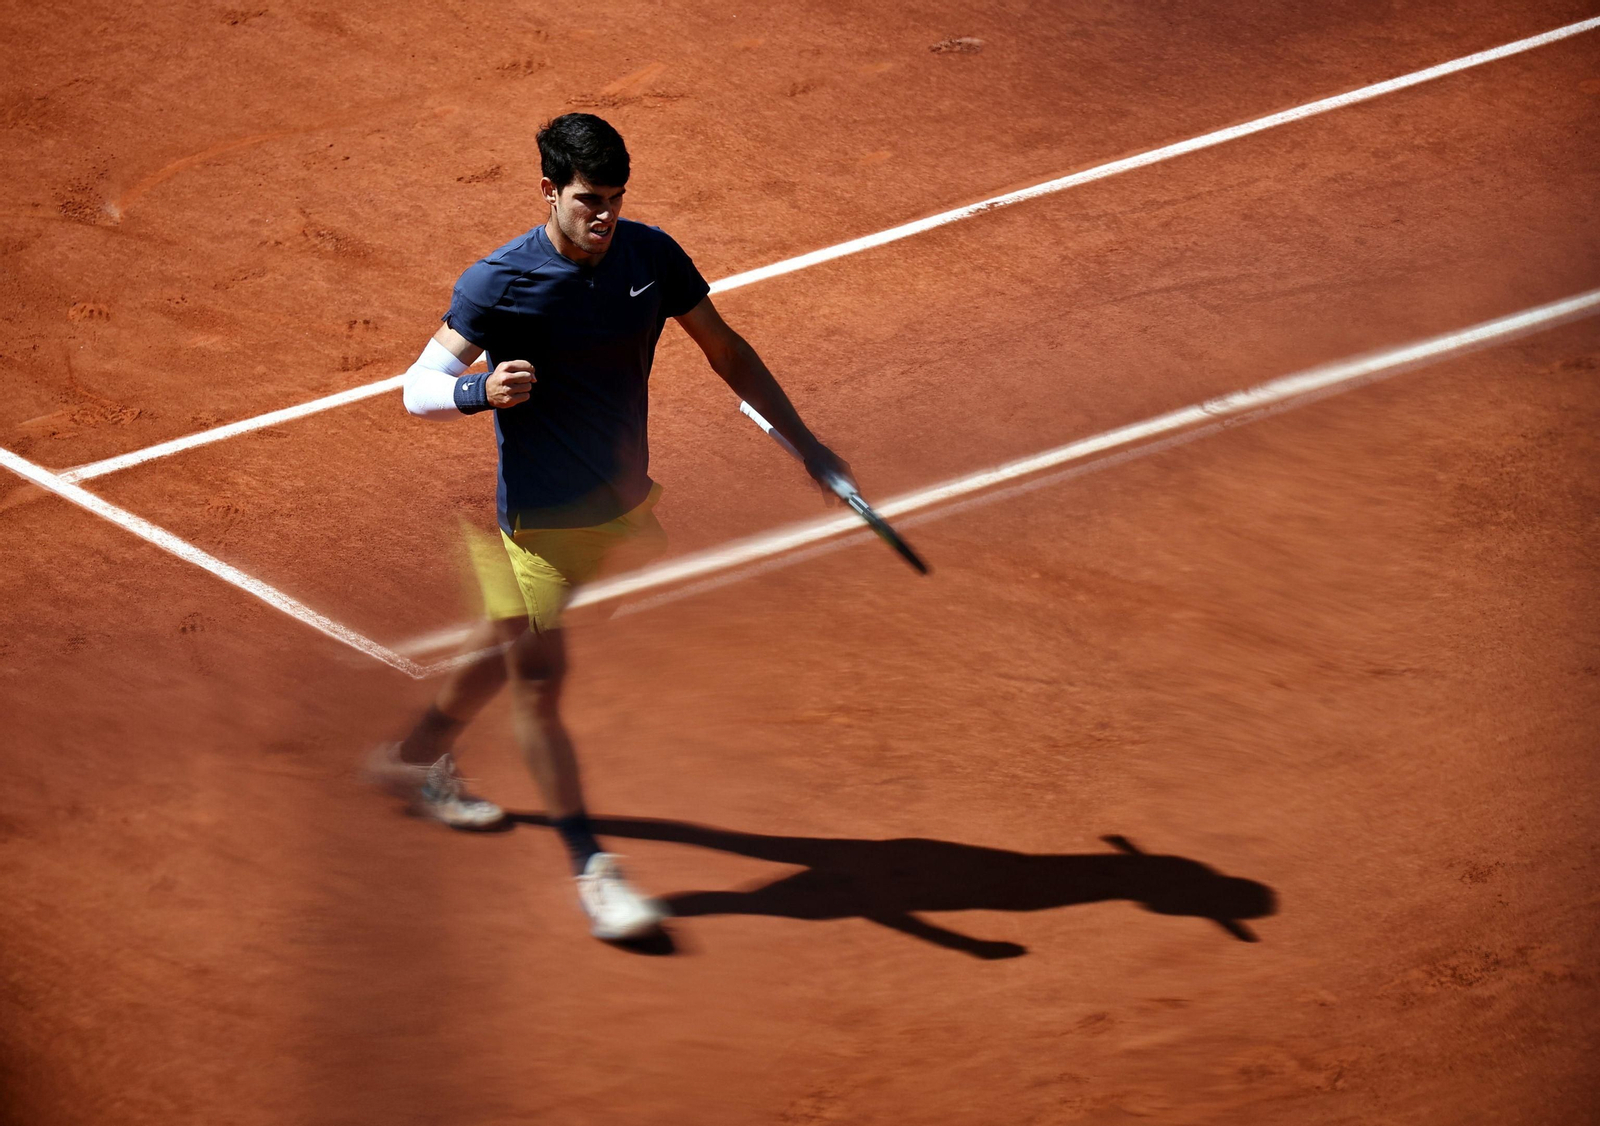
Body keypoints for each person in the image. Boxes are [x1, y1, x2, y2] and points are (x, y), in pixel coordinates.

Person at [368, 113, 853, 942]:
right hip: (539, 526)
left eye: (616, 200)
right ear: (549, 192)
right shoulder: (500, 282)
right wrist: (475, 394)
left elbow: (725, 350)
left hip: (625, 513)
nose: (605, 217)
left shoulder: (649, 256)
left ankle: (413, 758)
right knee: (539, 683)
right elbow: (417, 384)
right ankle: (595, 871)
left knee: (509, 641)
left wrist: (806, 445)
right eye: (589, 200)